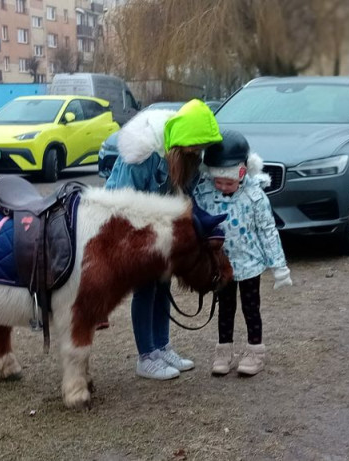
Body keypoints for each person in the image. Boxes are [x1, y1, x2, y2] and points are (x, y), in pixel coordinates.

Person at [105, 99, 223, 380]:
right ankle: (146, 356)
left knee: (163, 285)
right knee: (145, 288)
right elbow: (123, 201)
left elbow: (183, 198)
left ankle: (161, 346)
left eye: (202, 147)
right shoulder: (142, 156)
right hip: (134, 229)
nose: (198, 152)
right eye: (195, 146)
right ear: (180, 142)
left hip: (161, 230)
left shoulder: (189, 157)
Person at [193, 130, 293, 377]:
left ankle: (255, 352)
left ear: (242, 173)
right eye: (218, 182)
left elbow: (268, 231)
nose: (223, 187)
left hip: (249, 264)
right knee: (225, 308)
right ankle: (223, 352)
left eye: (229, 183)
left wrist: (279, 266)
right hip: (221, 265)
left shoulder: (254, 196)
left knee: (251, 307)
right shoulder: (204, 194)